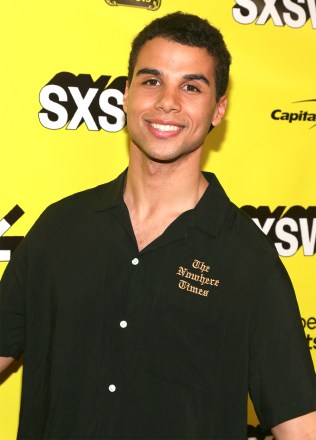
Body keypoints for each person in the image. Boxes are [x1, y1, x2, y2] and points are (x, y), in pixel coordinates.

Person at [0, 11, 315, 440]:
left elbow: (302, 427)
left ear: (218, 108)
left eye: (191, 86)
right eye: (151, 81)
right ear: (127, 94)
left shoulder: (248, 262)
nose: (167, 102)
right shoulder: (59, 230)